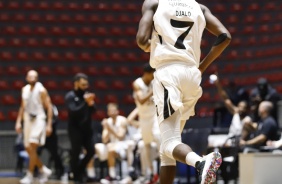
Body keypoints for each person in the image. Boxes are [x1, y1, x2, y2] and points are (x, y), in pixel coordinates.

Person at [136, 0, 231, 183]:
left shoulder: (154, 4)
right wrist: (201, 68)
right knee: (168, 149)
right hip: (192, 74)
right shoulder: (200, 8)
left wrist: (149, 45)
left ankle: (201, 162)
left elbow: (141, 40)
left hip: (168, 72)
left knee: (169, 144)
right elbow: (225, 36)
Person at [15, 70, 53, 184]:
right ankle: (43, 169)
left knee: (32, 145)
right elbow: (22, 106)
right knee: (28, 148)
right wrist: (18, 121)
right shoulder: (24, 89)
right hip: (27, 119)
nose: (33, 78)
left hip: (39, 118)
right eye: (30, 76)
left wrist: (49, 124)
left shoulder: (42, 90)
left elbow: (49, 106)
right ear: (27, 78)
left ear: (37, 78)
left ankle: (30, 175)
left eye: (35, 76)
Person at [65, 73, 96, 184]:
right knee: (76, 152)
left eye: (86, 85)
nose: (85, 87)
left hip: (87, 129)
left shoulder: (87, 94)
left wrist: (91, 104)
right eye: (83, 85)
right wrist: (85, 102)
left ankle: (80, 169)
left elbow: (93, 111)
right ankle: (77, 177)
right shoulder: (70, 96)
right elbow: (74, 112)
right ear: (76, 83)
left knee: (91, 151)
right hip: (75, 129)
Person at [132, 64, 161, 183]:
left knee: (158, 135)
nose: (154, 76)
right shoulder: (137, 83)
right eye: (152, 74)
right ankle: (151, 173)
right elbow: (142, 100)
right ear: (146, 73)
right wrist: (152, 92)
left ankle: (164, 162)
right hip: (143, 118)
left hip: (154, 115)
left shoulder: (155, 82)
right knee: (146, 146)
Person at [208, 75, 251, 147]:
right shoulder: (236, 113)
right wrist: (218, 84)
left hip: (237, 143)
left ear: (247, 110)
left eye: (243, 107)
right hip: (229, 139)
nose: (241, 109)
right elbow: (226, 99)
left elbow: (243, 138)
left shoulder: (247, 120)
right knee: (210, 143)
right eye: (239, 106)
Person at [98, 103, 135, 183]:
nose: (112, 112)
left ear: (117, 111)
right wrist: (106, 129)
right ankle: (112, 176)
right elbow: (104, 140)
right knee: (106, 148)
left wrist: (109, 128)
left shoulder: (123, 120)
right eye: (110, 111)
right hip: (112, 145)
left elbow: (120, 136)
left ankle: (113, 176)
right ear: (107, 113)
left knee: (110, 148)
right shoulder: (107, 122)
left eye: (114, 110)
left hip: (124, 144)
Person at [38, 105, 64, 180]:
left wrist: (48, 126)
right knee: (35, 153)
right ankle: (35, 171)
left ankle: (59, 171)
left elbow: (55, 120)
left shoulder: (53, 108)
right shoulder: (39, 107)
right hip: (40, 135)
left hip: (51, 137)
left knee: (55, 155)